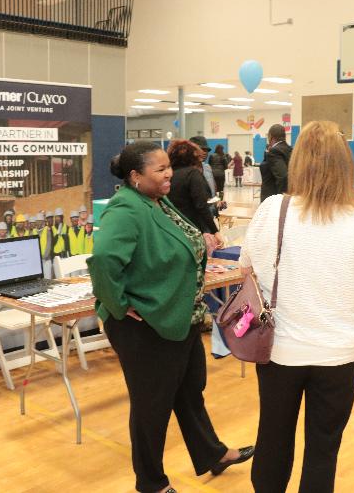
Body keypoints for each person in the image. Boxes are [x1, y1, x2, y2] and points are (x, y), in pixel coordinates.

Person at [88, 142, 254, 493]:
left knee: (190, 391)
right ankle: (151, 482)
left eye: (168, 167)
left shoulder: (157, 202)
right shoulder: (126, 209)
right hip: (146, 326)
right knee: (152, 407)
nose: (168, 174)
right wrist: (118, 305)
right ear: (135, 176)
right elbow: (103, 261)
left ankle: (213, 454)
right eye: (160, 170)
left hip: (179, 318)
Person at [240, 121, 354, 493]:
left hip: (279, 350)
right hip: (338, 354)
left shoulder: (272, 210)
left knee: (273, 437)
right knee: (324, 449)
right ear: (346, 166)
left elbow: (246, 268)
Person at [167, 139, 224, 248]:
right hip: (191, 228)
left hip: (171, 228)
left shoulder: (168, 175)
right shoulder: (192, 174)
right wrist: (215, 231)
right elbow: (201, 206)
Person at [260, 124, 292, 201]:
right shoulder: (291, 150)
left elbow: (283, 176)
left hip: (272, 198)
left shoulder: (274, 151)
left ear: (271, 137)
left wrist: (281, 199)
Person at [39, 210, 55, 278]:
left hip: (48, 258)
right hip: (42, 259)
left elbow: (49, 244)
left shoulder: (49, 230)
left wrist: (45, 256)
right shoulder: (38, 231)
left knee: (48, 277)